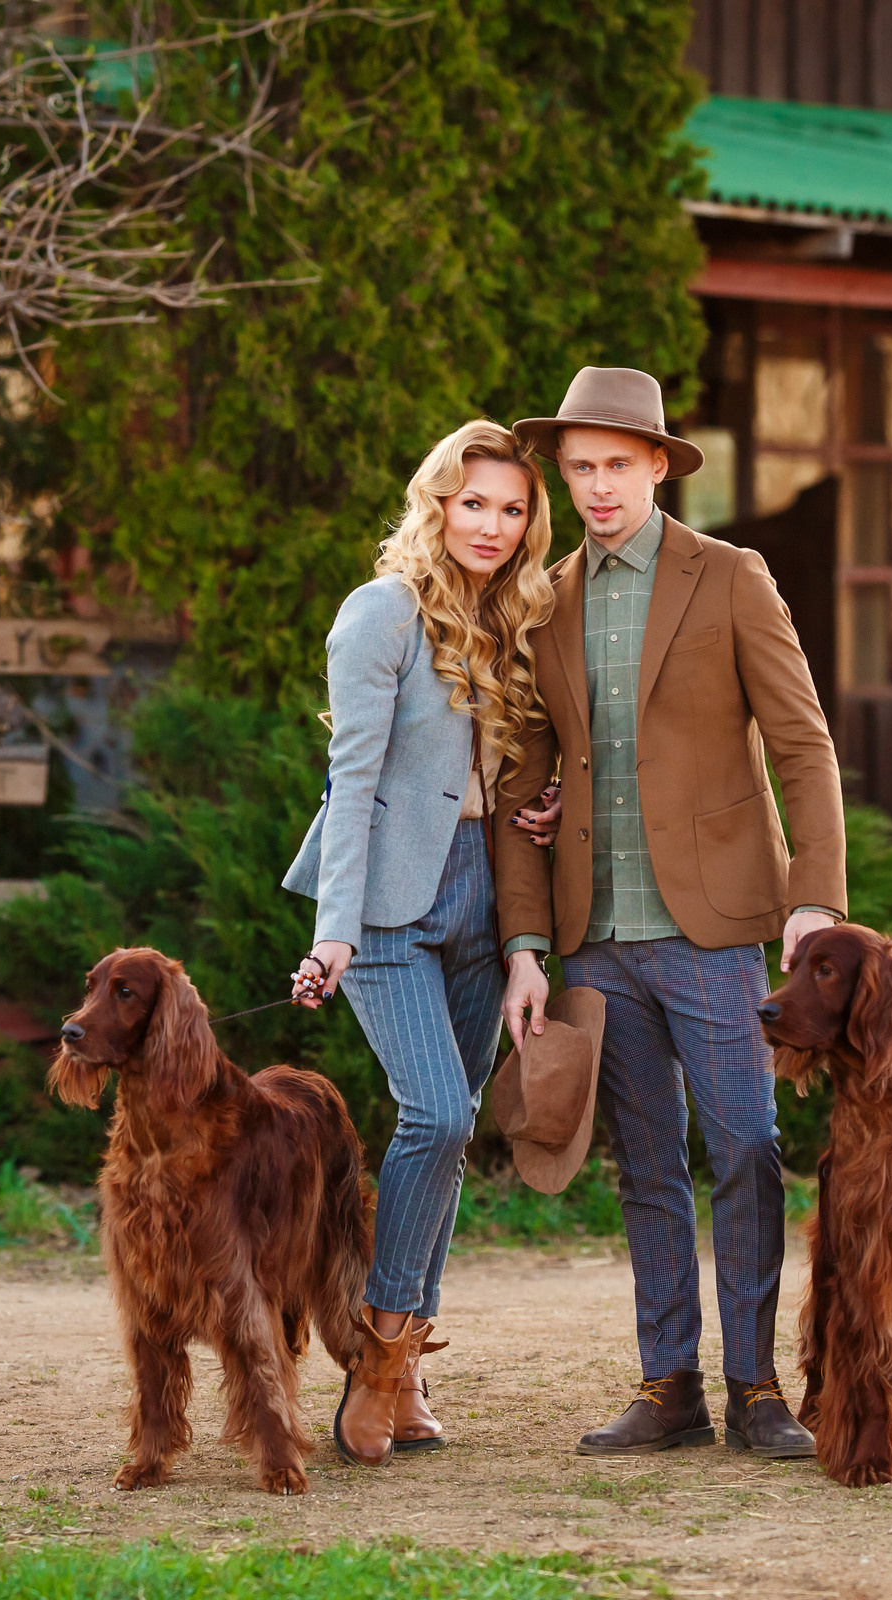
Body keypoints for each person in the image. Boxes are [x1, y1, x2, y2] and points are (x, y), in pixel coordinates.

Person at [493, 366, 848, 1461]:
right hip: (597, 934)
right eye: (581, 467)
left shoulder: (731, 577)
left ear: (657, 464)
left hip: (715, 927)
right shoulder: (542, 598)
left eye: (618, 465)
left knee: (745, 1143)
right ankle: (669, 1387)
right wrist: (524, 941)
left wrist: (815, 899)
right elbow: (520, 782)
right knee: (647, 1165)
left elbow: (801, 741)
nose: (599, 488)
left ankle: (756, 1389)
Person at [281, 418, 564, 1468]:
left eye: (512, 508)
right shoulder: (382, 612)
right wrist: (334, 930)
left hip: (486, 902)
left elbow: (524, 767)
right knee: (436, 1112)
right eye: (473, 501)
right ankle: (380, 1355)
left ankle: (401, 1363)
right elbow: (349, 782)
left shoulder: (519, 616)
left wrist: (545, 807)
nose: (491, 524)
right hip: (391, 905)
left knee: (449, 1137)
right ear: (437, 501)